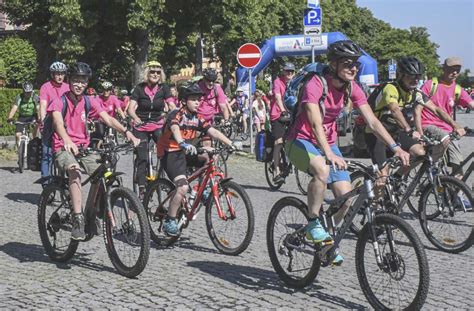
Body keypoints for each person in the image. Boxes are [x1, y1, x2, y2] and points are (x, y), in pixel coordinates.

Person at [285, 40, 410, 265]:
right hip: (300, 140)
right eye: (347, 63)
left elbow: (372, 121)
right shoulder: (316, 83)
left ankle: (325, 241)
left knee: (346, 198)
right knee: (321, 170)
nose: (353, 68)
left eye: (356, 64)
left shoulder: (352, 87)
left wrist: (395, 147)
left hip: (328, 143)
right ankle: (313, 222)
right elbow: (314, 122)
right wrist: (329, 154)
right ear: (333, 64)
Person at [47, 62, 140, 240]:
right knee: (74, 170)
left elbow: (108, 119)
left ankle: (91, 212)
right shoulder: (59, 101)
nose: (79, 84)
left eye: (83, 81)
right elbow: (58, 122)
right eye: (75, 80)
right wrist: (66, 139)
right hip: (62, 147)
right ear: (69, 81)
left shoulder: (90, 101)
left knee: (102, 171)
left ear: (87, 83)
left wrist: (127, 133)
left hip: (83, 147)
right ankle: (77, 218)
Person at [156, 83, 235, 236]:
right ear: (184, 101)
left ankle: (204, 189)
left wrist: (230, 143)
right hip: (170, 153)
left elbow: (212, 131)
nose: (198, 102)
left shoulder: (198, 118)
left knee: (207, 159)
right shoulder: (176, 114)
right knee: (182, 187)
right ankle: (170, 220)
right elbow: (174, 128)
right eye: (193, 99)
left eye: (199, 99)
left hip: (185, 151)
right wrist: (182, 143)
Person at [416, 57, 474, 178]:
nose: (455, 73)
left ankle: (457, 194)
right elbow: (418, 108)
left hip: (448, 130)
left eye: (457, 70)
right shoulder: (431, 84)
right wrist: (420, 133)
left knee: (458, 165)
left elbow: (472, 105)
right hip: (428, 125)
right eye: (452, 69)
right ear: (444, 69)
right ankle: (433, 170)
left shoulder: (458, 89)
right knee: (444, 138)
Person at [127, 60, 174, 198]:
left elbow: (171, 105)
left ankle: (168, 179)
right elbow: (130, 109)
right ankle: (142, 187)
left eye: (158, 72)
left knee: (167, 151)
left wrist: (175, 114)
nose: (155, 74)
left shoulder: (163, 88)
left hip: (158, 124)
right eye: (152, 72)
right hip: (141, 126)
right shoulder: (139, 88)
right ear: (147, 73)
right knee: (142, 156)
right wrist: (136, 119)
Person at [39, 61, 70, 187]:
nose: (60, 76)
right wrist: (42, 119)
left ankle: (68, 180)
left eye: (62, 74)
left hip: (65, 122)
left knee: (68, 151)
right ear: (52, 74)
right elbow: (43, 105)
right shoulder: (45, 87)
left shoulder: (68, 87)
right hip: (49, 121)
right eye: (57, 74)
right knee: (47, 154)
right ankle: (46, 185)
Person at [270, 62, 295, 183]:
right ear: (283, 71)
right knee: (278, 142)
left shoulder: (293, 83)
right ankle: (276, 170)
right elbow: (278, 97)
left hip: (291, 115)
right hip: (278, 115)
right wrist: (283, 110)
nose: (289, 73)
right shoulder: (277, 82)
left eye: (292, 71)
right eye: (287, 71)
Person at [7, 82, 39, 146]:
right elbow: (14, 108)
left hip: (32, 116)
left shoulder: (35, 97)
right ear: (23, 91)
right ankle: (18, 147)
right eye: (26, 92)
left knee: (36, 127)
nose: (28, 94)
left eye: (30, 92)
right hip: (22, 117)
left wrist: (40, 118)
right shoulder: (19, 97)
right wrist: (10, 118)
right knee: (17, 135)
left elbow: (38, 108)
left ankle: (34, 142)